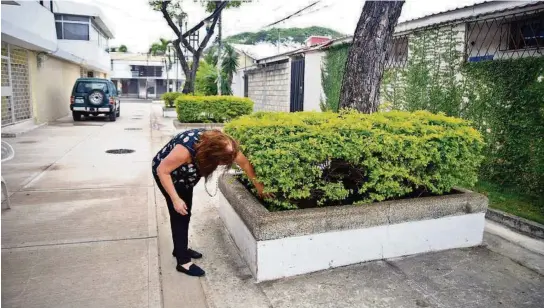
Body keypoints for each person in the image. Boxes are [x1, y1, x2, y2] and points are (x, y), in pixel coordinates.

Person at [152, 128, 271, 277]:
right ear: (212, 155)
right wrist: (175, 199)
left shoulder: (227, 146)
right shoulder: (185, 150)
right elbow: (162, 170)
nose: (223, 164)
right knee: (180, 213)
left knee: (185, 212)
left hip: (186, 177)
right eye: (221, 162)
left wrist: (260, 188)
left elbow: (245, 164)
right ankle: (182, 261)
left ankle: (179, 249)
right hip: (169, 176)